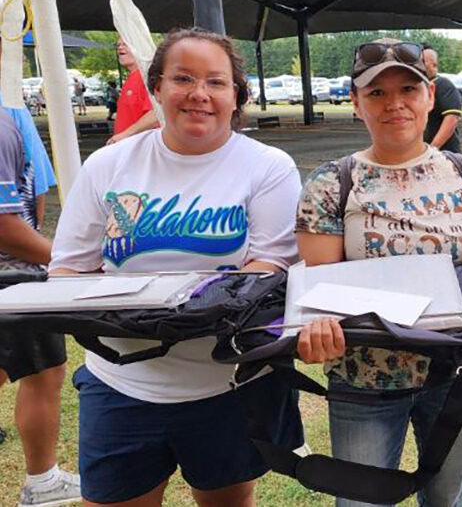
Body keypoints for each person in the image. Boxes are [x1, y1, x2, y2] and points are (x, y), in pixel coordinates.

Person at [48, 27, 304, 507]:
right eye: (183, 78)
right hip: (121, 382)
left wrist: (182, 310)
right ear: (157, 88)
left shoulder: (268, 167)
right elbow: (67, 272)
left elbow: (271, 265)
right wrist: (134, 314)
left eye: (216, 82)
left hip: (230, 383)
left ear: (236, 95)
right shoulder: (108, 165)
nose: (199, 95)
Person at [294, 38, 462, 507]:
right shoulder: (331, 183)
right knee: (358, 502)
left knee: (445, 499)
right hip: (364, 378)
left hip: (456, 373)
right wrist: (315, 331)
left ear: (430, 96)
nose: (394, 103)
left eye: (408, 89)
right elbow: (319, 291)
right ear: (356, 103)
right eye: (376, 93)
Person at [1, 49, 80, 506]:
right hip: (12, 277)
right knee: (43, 371)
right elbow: (5, 223)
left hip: (17, 269)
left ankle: (44, 479)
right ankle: (43, 481)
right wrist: (61, 259)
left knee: (41, 369)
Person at [106, 37, 159, 145]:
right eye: (118, 45)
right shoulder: (132, 78)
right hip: (127, 148)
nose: (120, 47)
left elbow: (157, 113)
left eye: (125, 44)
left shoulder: (147, 77)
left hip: (141, 149)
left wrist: (124, 135)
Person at [421, 43, 462, 153]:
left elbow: (452, 118)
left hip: (445, 154)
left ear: (434, 65)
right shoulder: (416, 86)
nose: (418, 65)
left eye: (422, 61)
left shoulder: (443, 84)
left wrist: (433, 149)